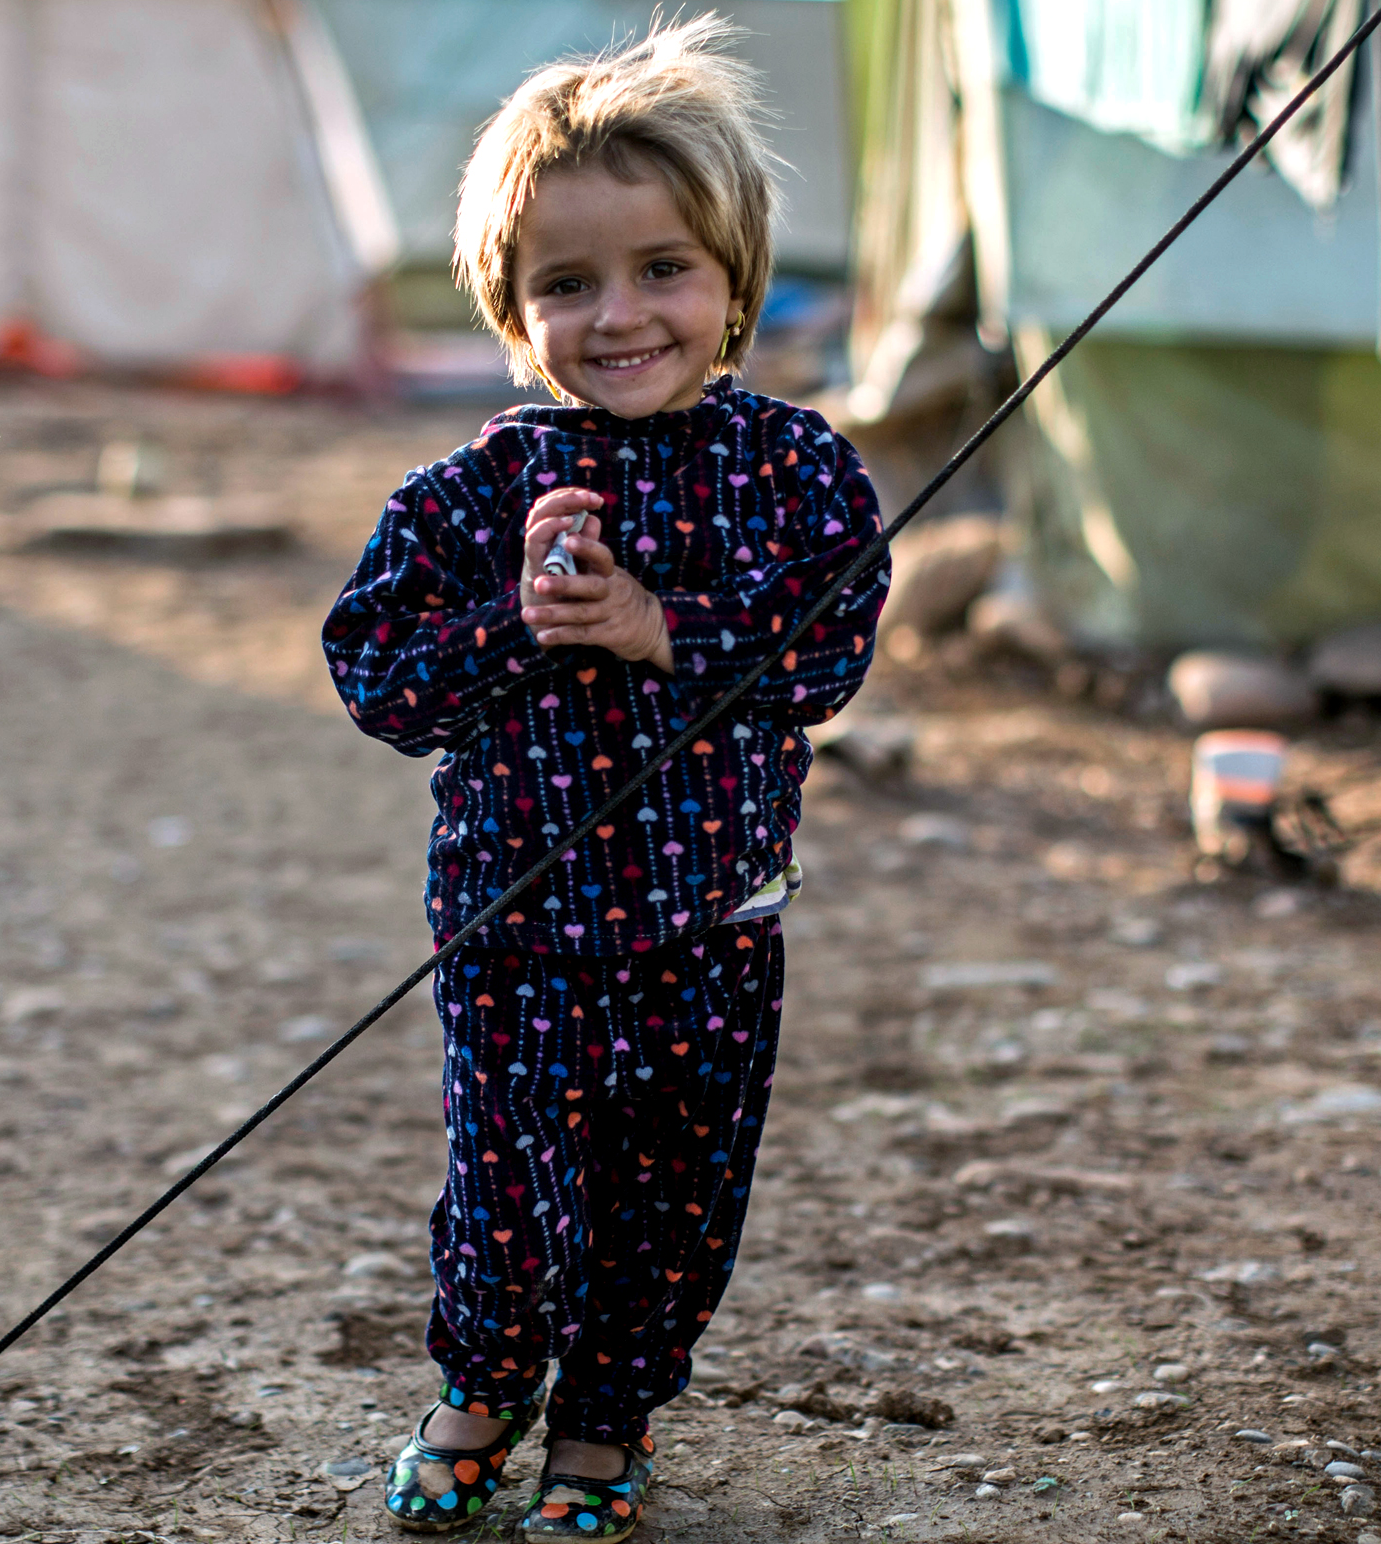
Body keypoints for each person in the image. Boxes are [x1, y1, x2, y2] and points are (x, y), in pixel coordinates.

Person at [320, 18, 887, 1540]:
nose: (618, 314)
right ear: (514, 309)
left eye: (661, 270)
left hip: (714, 936)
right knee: (509, 1202)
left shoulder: (799, 472)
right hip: (517, 942)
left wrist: (659, 628)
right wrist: (514, 625)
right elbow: (374, 674)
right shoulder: (469, 495)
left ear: (734, 283)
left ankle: (605, 1424)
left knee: (673, 1206)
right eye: (567, 284)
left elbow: (825, 659)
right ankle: (479, 1391)